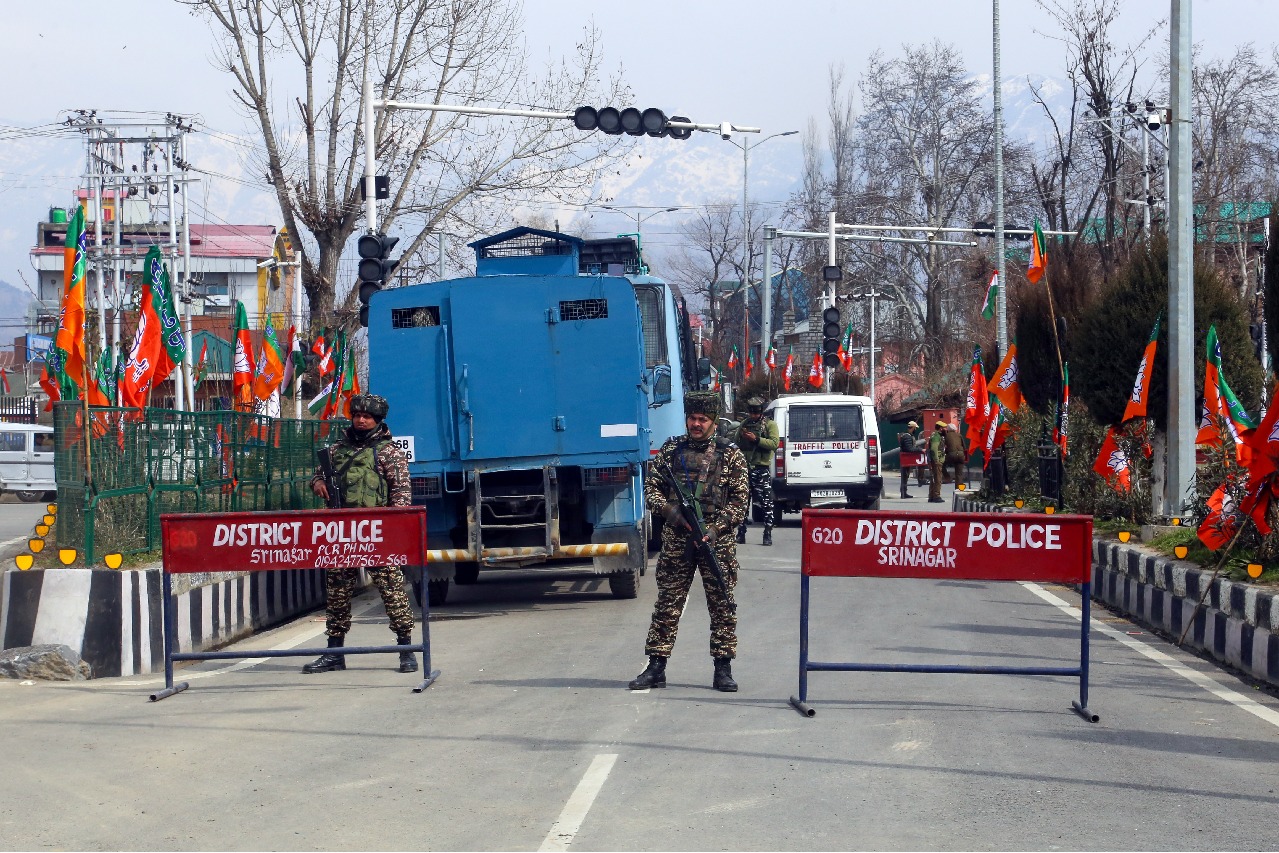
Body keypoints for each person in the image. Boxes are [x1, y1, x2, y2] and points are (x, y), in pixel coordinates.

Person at [631, 391, 749, 693]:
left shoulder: (731, 454)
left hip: (716, 543)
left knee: (722, 603)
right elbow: (651, 489)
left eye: (703, 419)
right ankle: (656, 667)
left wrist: (713, 530)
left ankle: (723, 669)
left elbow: (739, 502)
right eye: (692, 418)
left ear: (713, 422)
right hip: (676, 541)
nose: (696, 424)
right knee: (668, 604)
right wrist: (670, 511)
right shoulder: (671, 450)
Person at [303, 393, 418, 675]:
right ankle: (334, 652)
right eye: (357, 415)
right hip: (342, 534)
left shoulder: (389, 453)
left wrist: (394, 531)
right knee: (338, 594)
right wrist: (317, 482)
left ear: (378, 421)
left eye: (367, 417)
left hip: (377, 533)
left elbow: (401, 494)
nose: (361, 420)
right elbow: (317, 475)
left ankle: (406, 650)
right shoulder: (335, 451)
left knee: (392, 591)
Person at [733, 396, 779, 546]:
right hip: (745, 468)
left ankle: (767, 533)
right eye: (751, 412)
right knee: (742, 503)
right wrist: (741, 436)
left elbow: (774, 443)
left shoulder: (769, 425)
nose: (753, 415)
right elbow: (736, 443)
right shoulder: (744, 424)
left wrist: (756, 439)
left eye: (756, 412)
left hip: (761, 468)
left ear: (761, 412)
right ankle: (741, 533)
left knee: (766, 503)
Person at [897, 421, 920, 499]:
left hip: (906, 459)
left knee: (905, 476)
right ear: (913, 428)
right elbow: (909, 449)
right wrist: (919, 450)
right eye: (915, 428)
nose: (915, 430)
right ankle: (903, 493)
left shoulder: (907, 435)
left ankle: (904, 492)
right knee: (904, 476)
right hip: (905, 459)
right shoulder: (907, 436)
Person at [927, 420, 946, 503]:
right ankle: (936, 496)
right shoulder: (936, 436)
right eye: (944, 428)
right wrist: (936, 460)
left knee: (934, 478)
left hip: (934, 460)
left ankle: (931, 496)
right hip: (937, 461)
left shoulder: (934, 435)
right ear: (940, 428)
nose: (945, 429)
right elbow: (934, 448)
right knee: (938, 479)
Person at [944, 422, 967, 489]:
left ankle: (947, 477)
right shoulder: (959, 435)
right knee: (959, 474)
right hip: (960, 455)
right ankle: (959, 489)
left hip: (951, 455)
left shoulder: (946, 436)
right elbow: (964, 447)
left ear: (948, 429)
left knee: (941, 464)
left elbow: (944, 447)